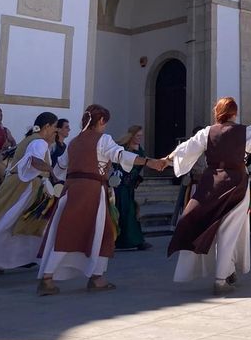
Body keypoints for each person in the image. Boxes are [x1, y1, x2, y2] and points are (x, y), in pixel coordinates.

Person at [164, 97, 251, 295]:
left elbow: (185, 149)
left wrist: (165, 160)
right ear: (234, 113)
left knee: (223, 229)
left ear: (216, 113)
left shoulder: (207, 133)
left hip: (211, 184)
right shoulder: (246, 132)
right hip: (236, 183)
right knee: (230, 231)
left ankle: (229, 270)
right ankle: (220, 280)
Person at [37, 104, 165, 295]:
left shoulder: (73, 142)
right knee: (102, 231)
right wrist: (148, 161)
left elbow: (58, 168)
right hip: (93, 191)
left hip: (70, 191)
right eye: (105, 123)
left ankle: (48, 278)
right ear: (101, 121)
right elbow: (120, 155)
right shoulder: (103, 139)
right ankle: (96, 278)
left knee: (66, 231)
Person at [0, 112, 59, 286]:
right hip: (23, 190)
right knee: (3, 225)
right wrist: (51, 171)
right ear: (47, 126)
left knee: (7, 226)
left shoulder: (30, 139)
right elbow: (34, 161)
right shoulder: (39, 142)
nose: (55, 131)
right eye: (54, 127)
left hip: (20, 187)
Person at [113, 125, 151, 251]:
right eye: (137, 136)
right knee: (123, 211)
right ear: (132, 135)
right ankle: (122, 240)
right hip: (121, 185)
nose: (140, 138)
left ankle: (136, 240)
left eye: (141, 136)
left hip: (130, 186)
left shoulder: (140, 150)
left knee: (132, 211)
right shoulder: (123, 149)